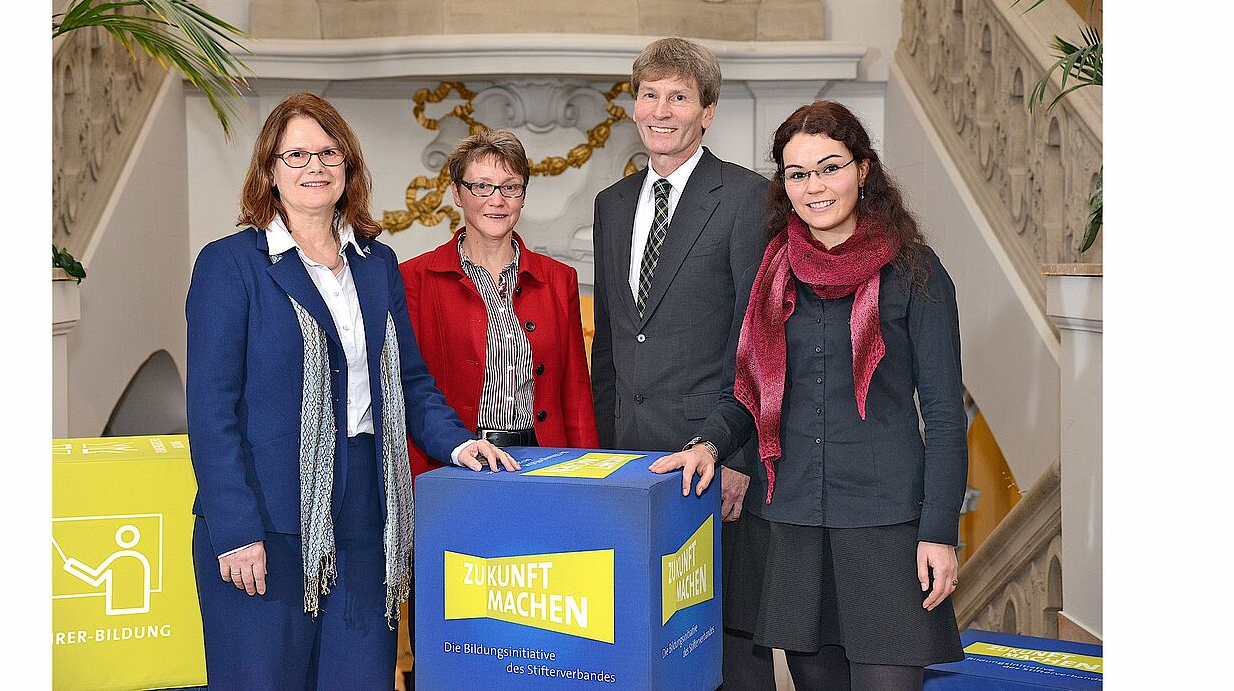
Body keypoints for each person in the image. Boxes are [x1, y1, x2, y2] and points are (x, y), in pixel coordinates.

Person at [185, 92, 518, 690]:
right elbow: (211, 414)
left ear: (348, 165)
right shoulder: (230, 264)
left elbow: (411, 382)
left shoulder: (376, 262)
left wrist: (460, 445)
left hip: (367, 519)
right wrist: (236, 532)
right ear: (268, 171)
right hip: (267, 524)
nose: (315, 166)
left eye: (328, 151)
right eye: (297, 155)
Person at [650, 101, 968, 691]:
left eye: (829, 167)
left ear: (863, 169)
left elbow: (947, 417)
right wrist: (707, 446)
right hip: (793, 529)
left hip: (887, 530)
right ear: (783, 185)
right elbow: (746, 393)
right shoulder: (771, 270)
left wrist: (939, 531)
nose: (815, 187)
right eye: (798, 174)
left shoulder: (917, 272)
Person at [589, 37, 776, 689]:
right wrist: (602, 453)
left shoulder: (749, 199)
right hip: (629, 467)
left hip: (713, 463)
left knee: (724, 650)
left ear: (707, 111)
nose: (660, 110)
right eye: (649, 94)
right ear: (632, 104)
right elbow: (609, 344)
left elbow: (758, 341)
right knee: (639, 644)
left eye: (678, 96)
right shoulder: (611, 205)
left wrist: (738, 457)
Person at [401, 128, 599, 471]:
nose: (497, 200)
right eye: (481, 186)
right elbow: (408, 389)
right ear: (457, 193)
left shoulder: (558, 279)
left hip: (545, 462)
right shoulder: (414, 278)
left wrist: (591, 474)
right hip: (453, 464)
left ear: (522, 196)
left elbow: (576, 395)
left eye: (510, 187)